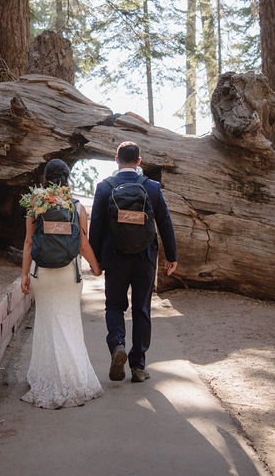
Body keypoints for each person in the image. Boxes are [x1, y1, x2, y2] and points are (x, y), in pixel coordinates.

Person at [88, 141, 178, 383]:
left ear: (116, 161)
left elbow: (95, 226)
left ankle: (118, 343)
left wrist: (95, 260)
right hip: (144, 259)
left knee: (114, 306)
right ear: (139, 161)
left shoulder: (105, 187)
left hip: (115, 258)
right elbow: (165, 223)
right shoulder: (152, 188)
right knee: (142, 308)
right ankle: (138, 366)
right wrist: (172, 256)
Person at [19, 159, 104, 408]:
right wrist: (96, 266)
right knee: (69, 323)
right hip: (68, 273)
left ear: (45, 177)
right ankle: (73, 378)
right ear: (67, 177)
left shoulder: (36, 206)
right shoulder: (76, 206)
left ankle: (45, 377)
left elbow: (27, 242)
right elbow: (83, 245)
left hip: (42, 274)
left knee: (46, 322)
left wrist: (24, 275)